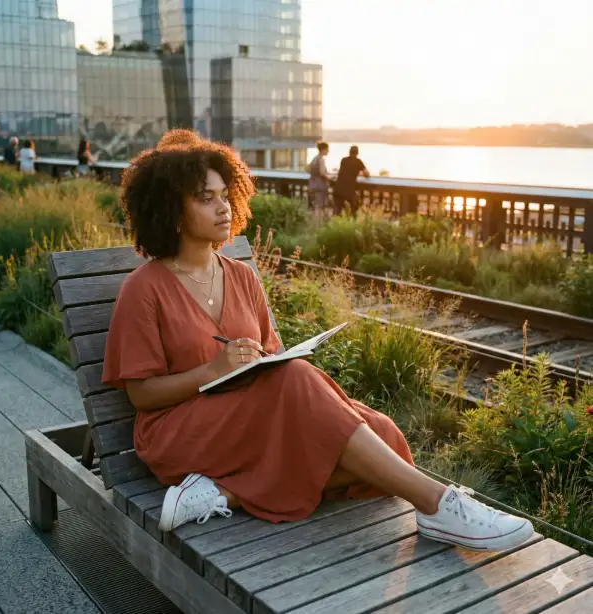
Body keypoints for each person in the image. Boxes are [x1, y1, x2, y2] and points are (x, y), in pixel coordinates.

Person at [101, 131, 534, 552]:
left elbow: (270, 357)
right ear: (171, 211)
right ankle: (439, 505)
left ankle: (224, 493)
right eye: (205, 197)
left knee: (386, 433)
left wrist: (261, 362)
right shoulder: (145, 288)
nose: (223, 207)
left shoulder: (240, 275)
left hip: (247, 419)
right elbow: (142, 394)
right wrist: (213, 370)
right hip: (179, 430)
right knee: (299, 383)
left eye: (224, 194)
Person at [334, 145, 370, 216]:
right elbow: (367, 174)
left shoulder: (343, 160)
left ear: (349, 152)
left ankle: (338, 221)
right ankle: (352, 220)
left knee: (338, 210)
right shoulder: (358, 162)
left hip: (338, 189)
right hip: (348, 191)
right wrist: (359, 173)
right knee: (354, 206)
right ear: (357, 153)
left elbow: (344, 171)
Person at [306, 141, 331, 216]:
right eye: (327, 149)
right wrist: (330, 179)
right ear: (323, 150)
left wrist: (314, 174)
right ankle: (320, 223)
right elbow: (322, 173)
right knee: (321, 206)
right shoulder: (321, 159)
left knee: (315, 205)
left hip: (312, 184)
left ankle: (315, 222)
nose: (328, 151)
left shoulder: (315, 158)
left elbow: (307, 169)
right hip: (320, 186)